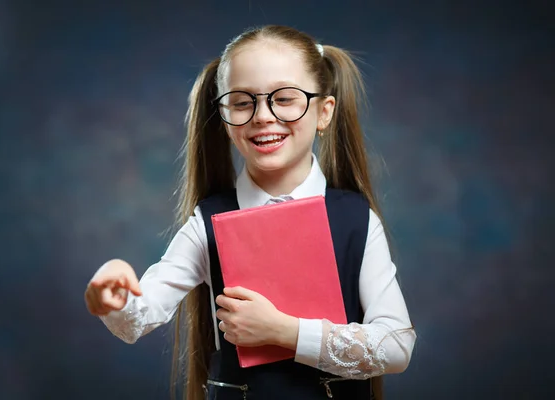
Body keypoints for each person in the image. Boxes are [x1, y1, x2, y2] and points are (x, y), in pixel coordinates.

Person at [84, 25, 416, 400]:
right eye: (242, 102)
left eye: (285, 98)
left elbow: (397, 345)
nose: (262, 116)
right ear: (225, 118)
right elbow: (140, 316)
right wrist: (116, 296)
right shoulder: (206, 224)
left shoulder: (356, 219)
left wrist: (284, 331)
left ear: (324, 112)